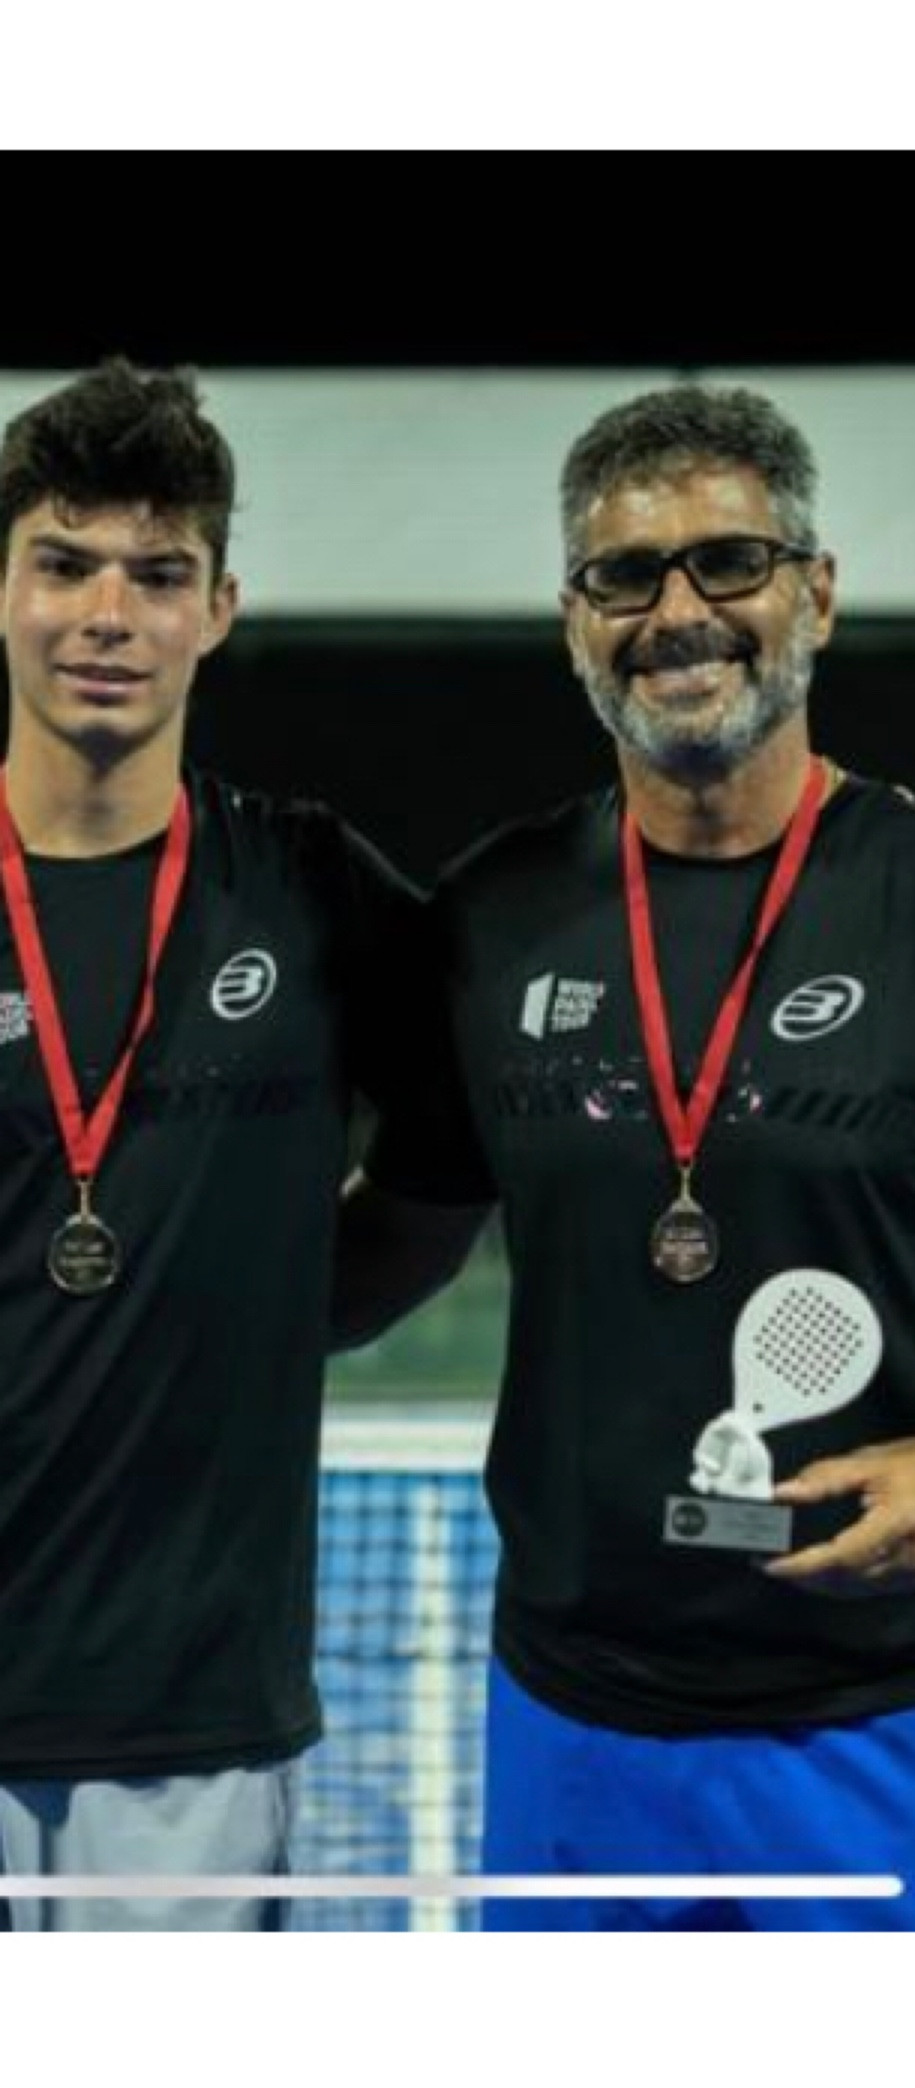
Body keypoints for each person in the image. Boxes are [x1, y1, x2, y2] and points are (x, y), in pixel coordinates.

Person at [343, 383, 915, 1930]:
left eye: (731, 563)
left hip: (904, 1722)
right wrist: (149, 1309)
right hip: (581, 1731)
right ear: (576, 623)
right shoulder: (492, 918)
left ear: (815, 593)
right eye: (628, 575)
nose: (680, 612)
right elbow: (400, 1229)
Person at [0, 358, 475, 1931]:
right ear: (2, 589)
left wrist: (286, 1307)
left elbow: (453, 1155)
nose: (107, 614)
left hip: (190, 1722)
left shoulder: (309, 888)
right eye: (64, 563)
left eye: (157, 573)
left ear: (218, 608)